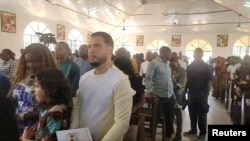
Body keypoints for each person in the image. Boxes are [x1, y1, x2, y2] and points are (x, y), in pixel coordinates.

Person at [70, 31, 135, 141]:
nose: (91, 50)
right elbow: (78, 109)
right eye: (90, 46)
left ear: (110, 50)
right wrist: (72, 134)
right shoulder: (85, 78)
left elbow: (122, 123)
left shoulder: (120, 80)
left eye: (97, 46)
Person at [7, 43, 59, 135]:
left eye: (35, 61)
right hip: (18, 126)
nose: (30, 65)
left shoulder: (52, 79)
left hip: (37, 128)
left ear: (44, 60)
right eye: (27, 61)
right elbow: (9, 100)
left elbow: (52, 109)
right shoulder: (22, 77)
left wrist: (23, 116)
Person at [22, 68, 71, 141]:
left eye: (37, 86)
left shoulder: (56, 113)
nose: (33, 89)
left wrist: (25, 139)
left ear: (50, 89)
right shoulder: (46, 107)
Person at [145, 46, 176, 139]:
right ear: (165, 53)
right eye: (170, 54)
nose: (170, 56)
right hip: (158, 96)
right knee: (156, 117)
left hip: (169, 95)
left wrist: (173, 94)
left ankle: (168, 135)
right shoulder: (154, 63)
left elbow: (169, 80)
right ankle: (151, 135)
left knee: (169, 117)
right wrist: (150, 92)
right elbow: (148, 79)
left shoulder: (167, 64)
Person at [183, 48, 212, 140]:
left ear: (202, 55)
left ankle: (203, 132)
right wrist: (184, 92)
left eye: (199, 53)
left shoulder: (206, 66)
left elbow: (209, 82)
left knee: (202, 114)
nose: (197, 55)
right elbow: (186, 80)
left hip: (202, 94)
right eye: (196, 53)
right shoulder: (190, 66)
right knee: (192, 113)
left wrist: (206, 95)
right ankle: (193, 129)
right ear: (193, 55)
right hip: (191, 93)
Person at [169, 56, 187, 141]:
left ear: (177, 61)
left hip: (178, 95)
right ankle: (170, 130)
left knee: (178, 114)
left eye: (173, 63)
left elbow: (182, 84)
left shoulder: (182, 71)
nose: (171, 65)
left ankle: (178, 134)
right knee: (169, 113)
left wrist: (172, 88)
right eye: (170, 63)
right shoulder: (170, 69)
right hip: (169, 94)